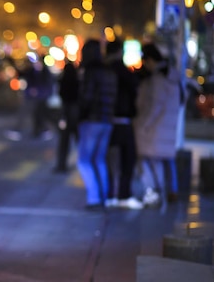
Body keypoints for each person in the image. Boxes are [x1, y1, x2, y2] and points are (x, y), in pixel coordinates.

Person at [133, 42, 181, 207]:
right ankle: (171, 191)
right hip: (170, 125)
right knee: (166, 160)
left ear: (150, 60)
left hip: (156, 127)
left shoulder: (158, 79)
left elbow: (155, 105)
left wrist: (143, 124)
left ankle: (155, 192)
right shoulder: (173, 75)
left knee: (148, 159)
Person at [76, 39, 117, 210]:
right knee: (99, 159)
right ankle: (105, 197)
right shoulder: (109, 71)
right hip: (107, 120)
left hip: (92, 120)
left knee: (84, 160)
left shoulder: (91, 72)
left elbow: (87, 97)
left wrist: (80, 115)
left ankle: (94, 198)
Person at [104, 39, 143, 209]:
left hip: (106, 119)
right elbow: (134, 88)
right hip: (123, 119)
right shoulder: (123, 70)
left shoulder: (104, 69)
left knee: (108, 160)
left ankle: (109, 194)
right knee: (128, 158)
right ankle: (123, 194)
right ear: (119, 52)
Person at [8, 55, 54, 140]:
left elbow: (48, 85)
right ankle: (37, 131)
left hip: (40, 97)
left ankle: (42, 131)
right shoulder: (32, 71)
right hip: (32, 97)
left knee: (39, 115)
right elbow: (23, 76)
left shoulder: (45, 72)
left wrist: (38, 92)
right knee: (29, 113)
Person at [54, 60, 79, 172]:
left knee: (64, 141)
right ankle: (80, 162)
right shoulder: (77, 81)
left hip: (66, 112)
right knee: (79, 140)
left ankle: (61, 164)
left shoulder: (63, 81)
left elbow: (60, 94)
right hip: (75, 113)